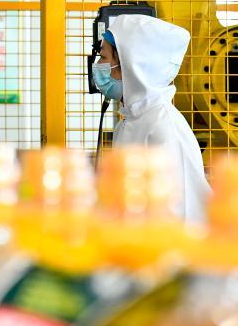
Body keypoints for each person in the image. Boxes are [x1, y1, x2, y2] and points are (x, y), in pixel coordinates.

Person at [90, 14, 211, 223]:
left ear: (129, 65)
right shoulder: (130, 121)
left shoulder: (164, 127)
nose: (98, 65)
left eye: (103, 57)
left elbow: (179, 213)